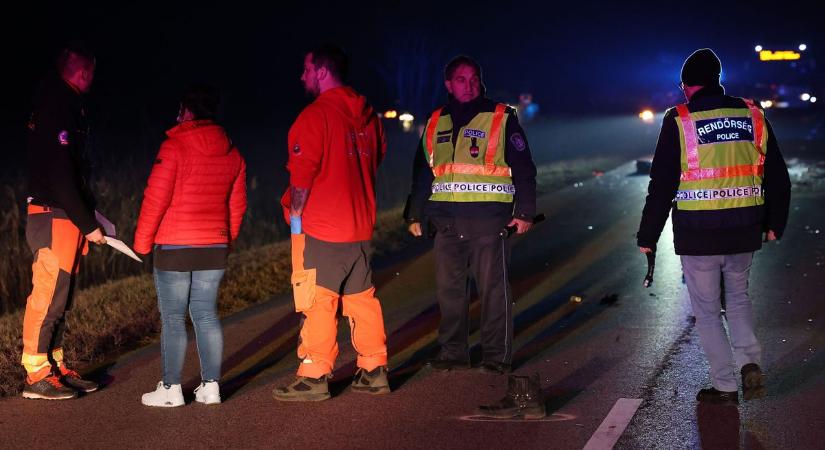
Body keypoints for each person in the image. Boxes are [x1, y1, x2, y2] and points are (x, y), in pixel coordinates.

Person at [637, 48, 791, 405]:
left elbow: (661, 184)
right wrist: (774, 223)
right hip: (744, 228)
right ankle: (749, 362)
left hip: (698, 232)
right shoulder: (752, 114)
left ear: (687, 86)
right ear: (718, 80)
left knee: (707, 312)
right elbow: (777, 175)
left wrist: (648, 235)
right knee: (738, 299)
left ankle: (725, 385)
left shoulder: (680, 118)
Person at [403, 55, 537, 374]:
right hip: (445, 221)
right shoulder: (436, 120)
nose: (468, 85)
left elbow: (524, 168)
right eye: (461, 80)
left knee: (492, 290)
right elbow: (423, 173)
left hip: (489, 220)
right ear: (449, 84)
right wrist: (414, 215)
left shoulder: (501, 117)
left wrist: (525, 212)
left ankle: (495, 356)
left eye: (473, 78)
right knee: (449, 291)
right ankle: (453, 352)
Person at [272, 44, 389, 402]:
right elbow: (376, 160)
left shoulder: (314, 116)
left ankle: (314, 375)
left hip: (322, 227)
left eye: (306, 70)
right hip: (359, 226)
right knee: (361, 300)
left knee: (318, 301)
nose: (302, 76)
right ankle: (374, 370)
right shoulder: (369, 118)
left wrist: (296, 217)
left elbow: (302, 177)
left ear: (322, 72)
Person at [134, 85, 247, 407]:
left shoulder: (174, 147)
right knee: (206, 315)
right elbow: (236, 206)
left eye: (180, 109)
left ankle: (171, 389)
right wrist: (227, 242)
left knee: (173, 318)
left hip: (175, 247)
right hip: (214, 246)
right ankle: (211, 387)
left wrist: (142, 243)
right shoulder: (233, 153)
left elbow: (155, 200)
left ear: (187, 111)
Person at [21, 44, 106, 400]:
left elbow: (71, 172)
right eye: (90, 72)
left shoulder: (66, 104)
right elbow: (59, 174)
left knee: (61, 297)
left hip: (65, 215)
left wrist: (88, 216)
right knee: (48, 294)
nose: (91, 78)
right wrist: (88, 223)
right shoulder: (57, 105)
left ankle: (54, 366)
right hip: (52, 213)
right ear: (81, 71)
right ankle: (36, 373)